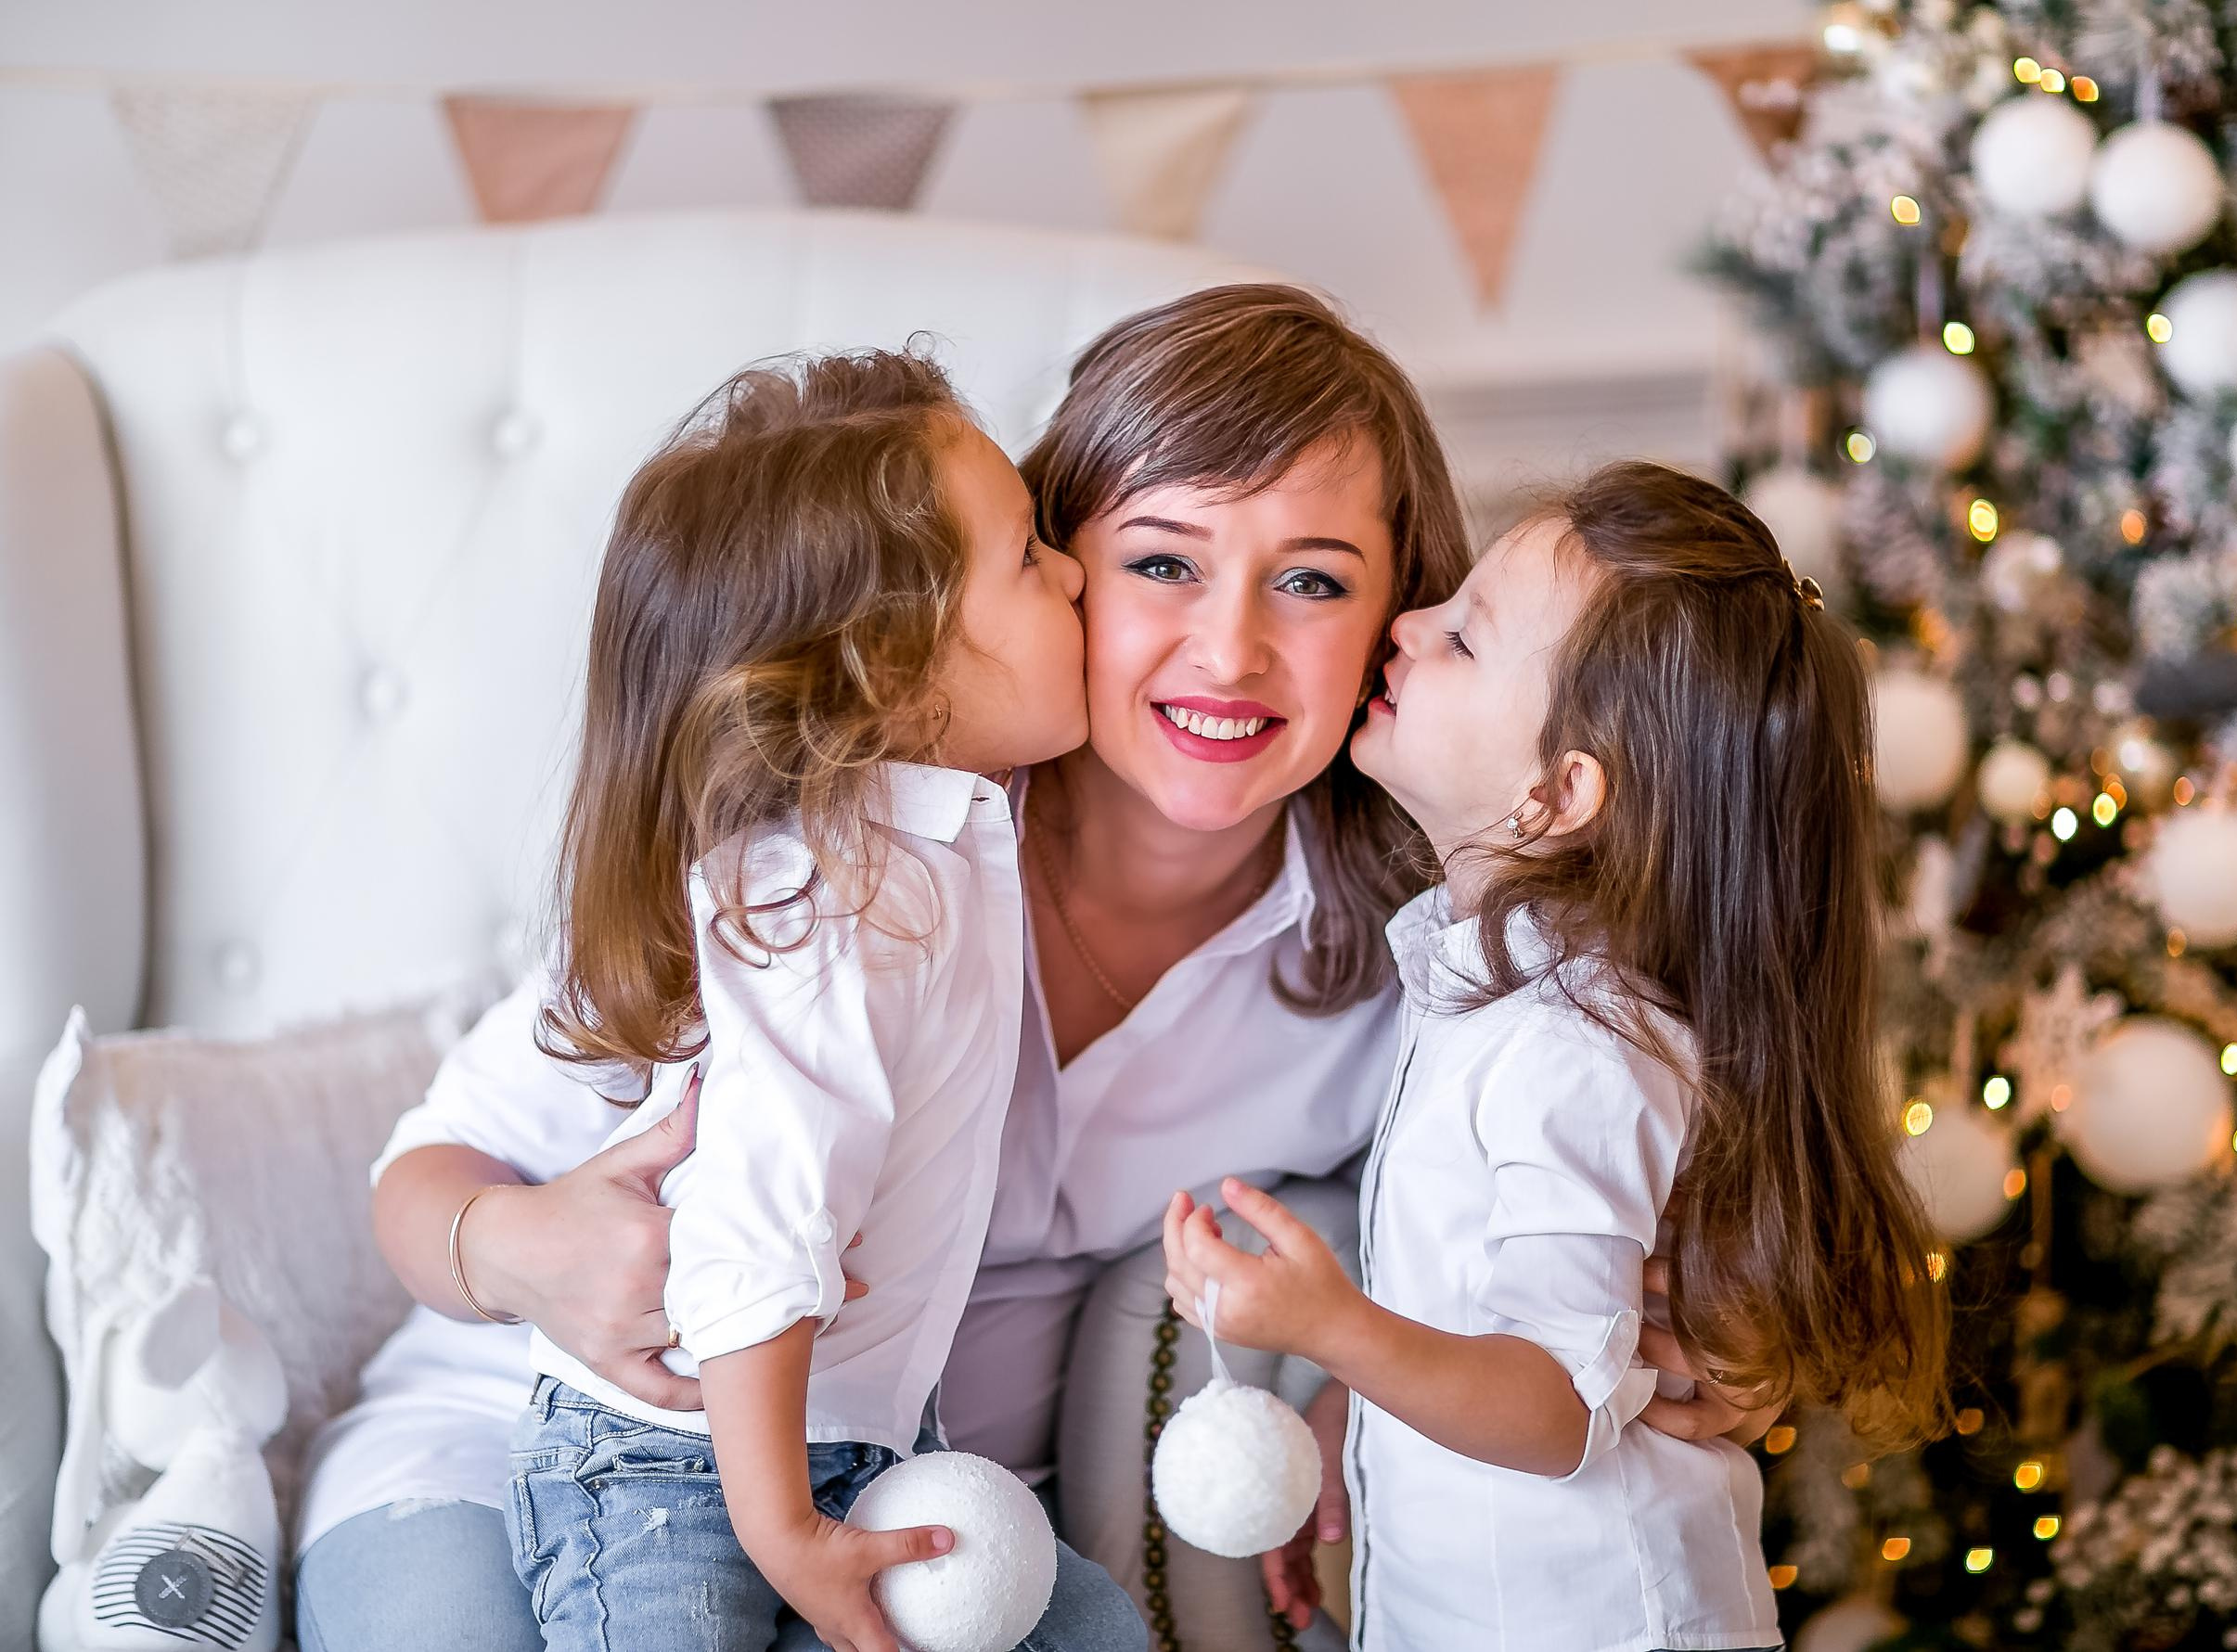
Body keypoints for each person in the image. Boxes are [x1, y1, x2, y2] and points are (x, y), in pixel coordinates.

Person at [295, 291, 1777, 1652]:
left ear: (1404, 620)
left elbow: (1597, 1204)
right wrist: (516, 1249)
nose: (1231, 647)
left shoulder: (1415, 958)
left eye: (1313, 582)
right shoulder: (820, 850)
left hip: (906, 1519)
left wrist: (1704, 1337)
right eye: (1159, 563)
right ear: (1030, 574)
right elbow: (420, 1182)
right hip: (516, 1434)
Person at [1163, 463, 1954, 1649]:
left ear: (1556, 793)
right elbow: (1475, 1298)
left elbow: (1558, 1404)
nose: (1408, 625)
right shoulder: (1494, 989)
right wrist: (1351, 1411)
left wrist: (1334, 1329)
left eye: (1465, 636)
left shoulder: (1572, 1042)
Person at [490, 348, 1142, 1651]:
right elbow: (760, 1221)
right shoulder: (831, 902)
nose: (1076, 568)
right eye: (1028, 556)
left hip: (852, 1437)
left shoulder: (940, 846)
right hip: (677, 1467)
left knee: (1094, 1629)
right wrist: (783, 1530)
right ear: (894, 677)